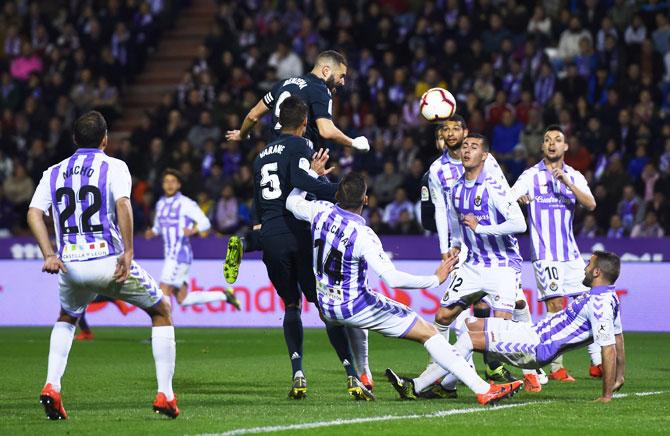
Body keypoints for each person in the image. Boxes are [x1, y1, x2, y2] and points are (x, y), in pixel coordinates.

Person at [285, 172, 523, 405]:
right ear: (365, 200)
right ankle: (483, 389)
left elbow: (291, 201)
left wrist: (309, 175)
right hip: (353, 306)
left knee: (356, 320)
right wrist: (434, 280)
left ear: (337, 195)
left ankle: (364, 373)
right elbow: (393, 280)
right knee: (429, 332)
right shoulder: (363, 236)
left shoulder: (319, 210)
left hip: (325, 305)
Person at [27, 111, 179, 420]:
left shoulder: (53, 171)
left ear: (74, 139)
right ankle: (166, 395)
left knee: (67, 316)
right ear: (105, 139)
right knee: (161, 310)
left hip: (69, 265)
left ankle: (51, 386)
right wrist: (129, 252)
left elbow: (33, 213)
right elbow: (123, 204)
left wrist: (48, 254)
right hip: (106, 260)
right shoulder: (113, 166)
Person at [251, 96, 369, 399]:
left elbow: (257, 201)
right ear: (304, 123)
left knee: (291, 306)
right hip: (298, 232)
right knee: (324, 306)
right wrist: (337, 191)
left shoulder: (261, 155)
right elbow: (300, 179)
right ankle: (352, 375)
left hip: (271, 235)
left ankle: (298, 373)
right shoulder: (301, 145)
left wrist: (258, 228)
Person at [223, 50, 370, 286]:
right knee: (318, 208)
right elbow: (326, 130)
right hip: (299, 155)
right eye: (341, 76)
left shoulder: (283, 84)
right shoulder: (319, 89)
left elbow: (252, 114)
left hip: (271, 157)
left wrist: (242, 134)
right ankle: (331, 276)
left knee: (275, 221)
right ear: (325, 71)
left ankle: (246, 243)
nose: (343, 82)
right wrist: (355, 142)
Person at [417, 117, 534, 395]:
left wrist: (491, 221)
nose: (453, 135)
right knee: (445, 315)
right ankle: (443, 371)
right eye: (446, 130)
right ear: (442, 136)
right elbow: (443, 213)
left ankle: (529, 367)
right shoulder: (442, 175)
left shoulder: (490, 175)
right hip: (468, 252)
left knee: (506, 318)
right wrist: (449, 246)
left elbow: (513, 216)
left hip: (501, 256)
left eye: (457, 129)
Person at [443, 251, 625, 402]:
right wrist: (620, 377)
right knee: (470, 324)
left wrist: (606, 396)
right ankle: (446, 385)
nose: (585, 268)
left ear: (596, 272)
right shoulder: (609, 298)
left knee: (468, 339)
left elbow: (608, 348)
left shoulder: (600, 304)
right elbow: (618, 337)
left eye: (588, 264)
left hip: (535, 346)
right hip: (531, 332)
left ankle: (436, 386)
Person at [510, 125, 598, 381]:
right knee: (556, 305)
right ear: (542, 146)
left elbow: (591, 204)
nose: (552, 143)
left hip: (570, 253)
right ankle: (556, 367)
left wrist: (567, 182)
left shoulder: (574, 175)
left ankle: (596, 363)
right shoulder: (530, 175)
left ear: (565, 147)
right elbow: (508, 199)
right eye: (547, 139)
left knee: (588, 304)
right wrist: (520, 200)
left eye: (557, 140)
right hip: (544, 253)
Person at [145, 169, 240, 309]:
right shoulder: (160, 204)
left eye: (173, 181)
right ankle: (224, 295)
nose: (169, 184)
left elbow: (205, 222)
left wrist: (194, 230)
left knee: (163, 289)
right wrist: (152, 232)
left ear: (179, 185)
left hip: (179, 255)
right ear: (163, 185)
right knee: (182, 299)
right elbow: (159, 227)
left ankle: (163, 328)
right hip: (170, 255)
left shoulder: (186, 203)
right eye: (166, 181)